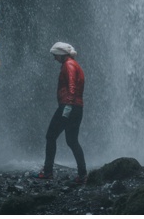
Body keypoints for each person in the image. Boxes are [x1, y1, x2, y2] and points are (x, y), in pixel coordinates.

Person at [36, 41, 87, 184]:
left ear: (60, 55)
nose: (54, 59)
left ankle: (47, 172)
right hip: (77, 108)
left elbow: (71, 86)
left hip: (68, 106)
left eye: (55, 56)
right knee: (72, 141)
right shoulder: (75, 64)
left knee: (50, 136)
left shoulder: (68, 65)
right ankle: (83, 174)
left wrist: (67, 107)